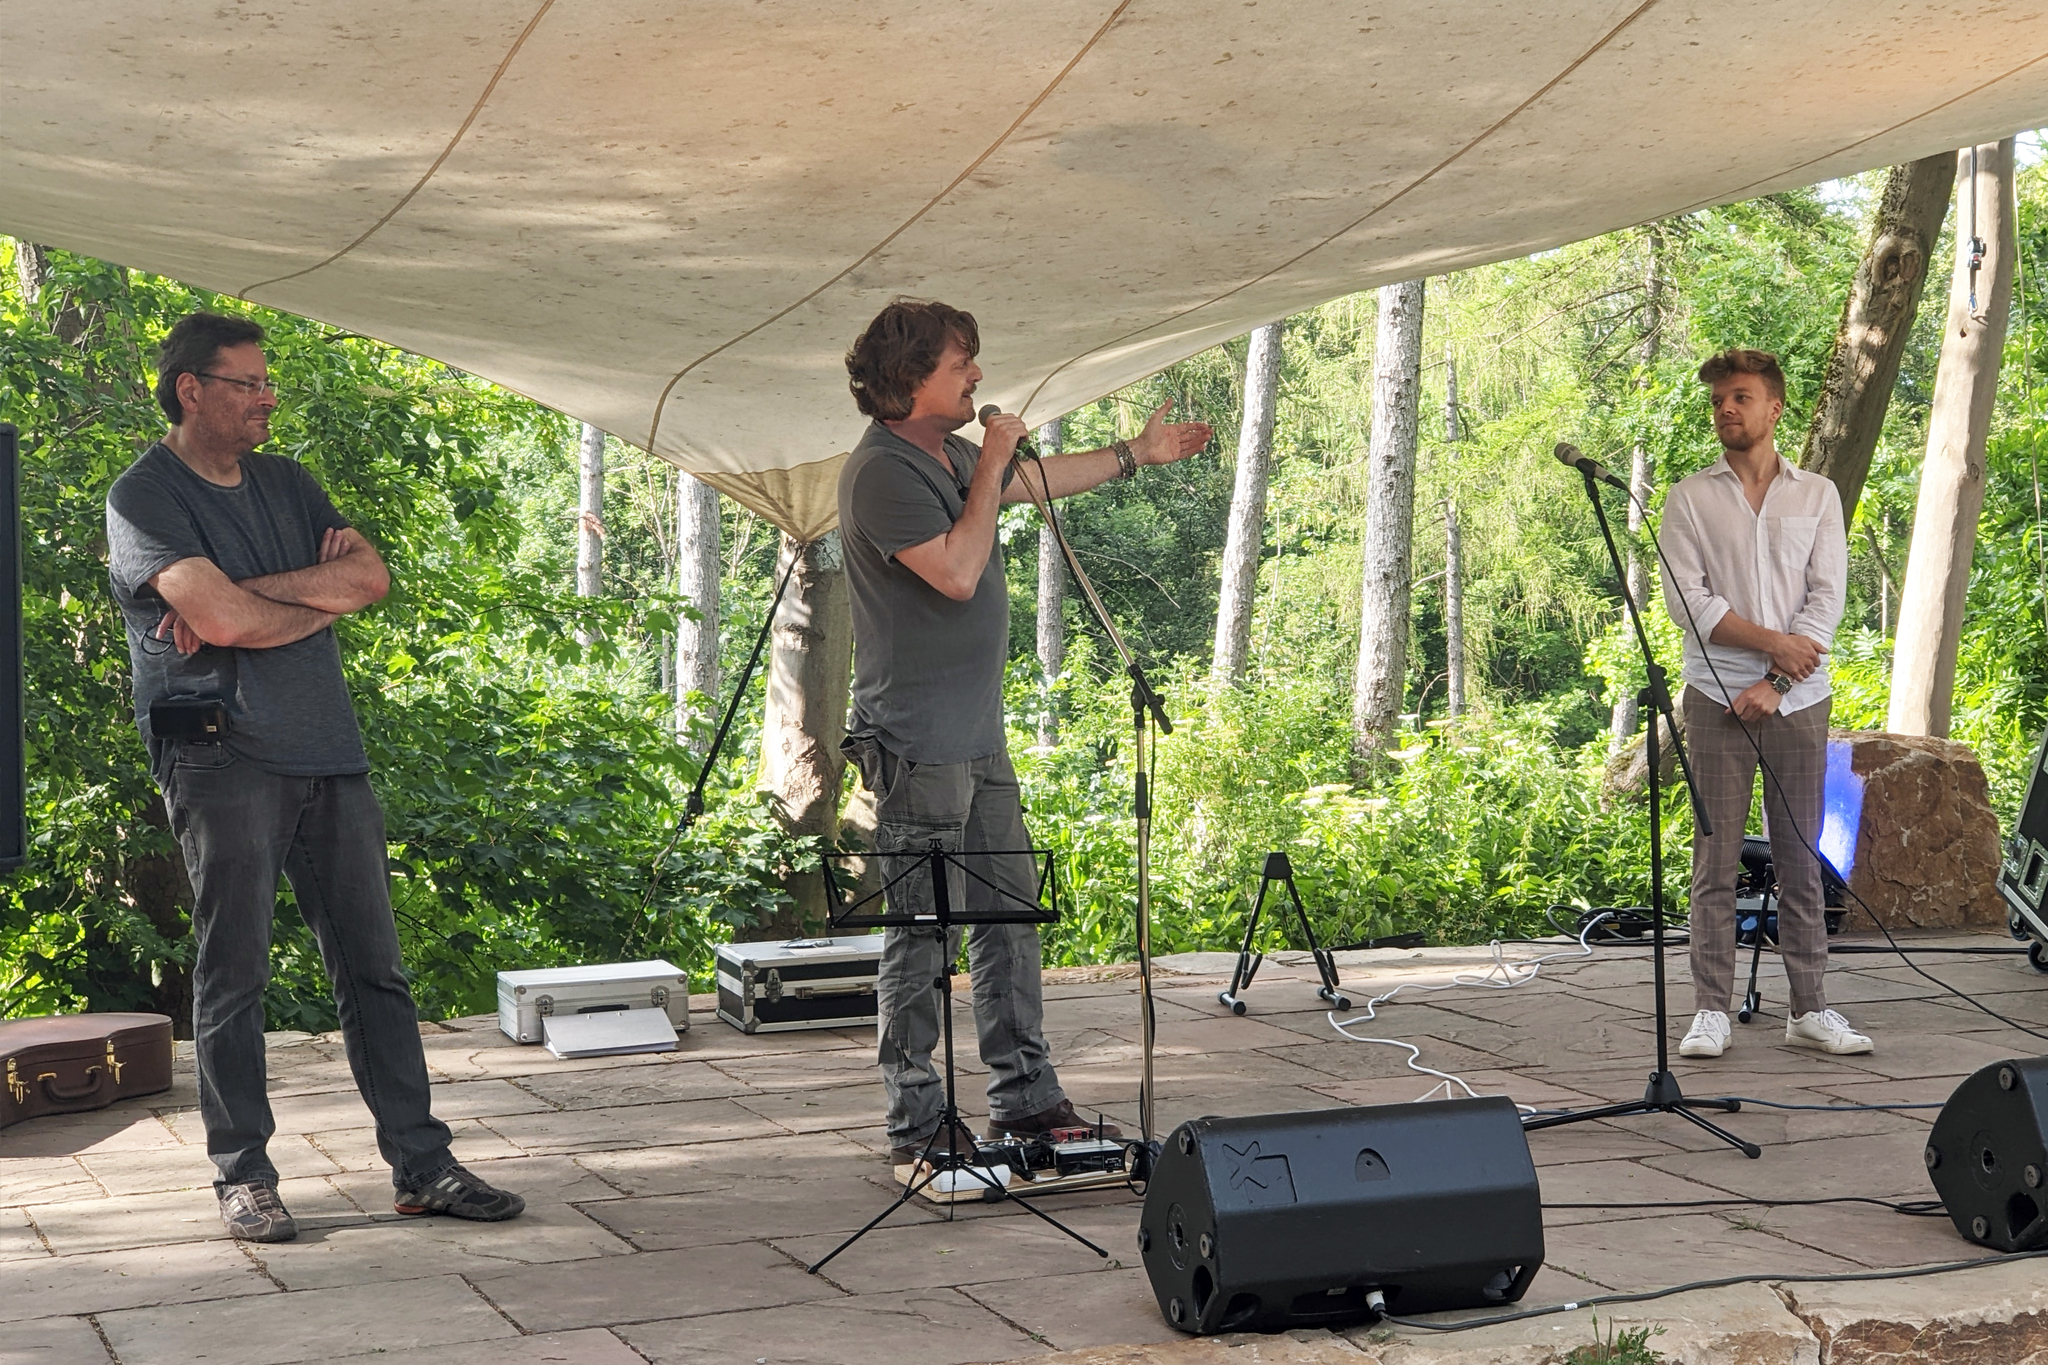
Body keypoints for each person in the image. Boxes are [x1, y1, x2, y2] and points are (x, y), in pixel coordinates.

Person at [105, 312, 524, 1241]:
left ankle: (422, 1166)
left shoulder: (289, 482)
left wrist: (256, 603)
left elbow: (367, 578)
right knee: (235, 972)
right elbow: (222, 619)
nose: (268, 399)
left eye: (269, 383)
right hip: (221, 757)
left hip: (328, 750)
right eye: (250, 384)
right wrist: (293, 599)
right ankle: (242, 1175)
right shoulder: (144, 497)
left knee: (376, 969)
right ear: (192, 390)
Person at [838, 300, 1212, 1165]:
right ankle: (917, 1118)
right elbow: (959, 572)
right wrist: (994, 461)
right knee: (922, 934)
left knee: (1008, 918)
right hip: (914, 747)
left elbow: (1034, 484)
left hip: (977, 739)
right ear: (911, 378)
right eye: (960, 363)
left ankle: (1026, 1098)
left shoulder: (954, 455)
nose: (976, 375)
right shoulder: (882, 474)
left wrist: (1135, 455)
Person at [1659, 347, 1868, 1059]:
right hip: (1714, 695)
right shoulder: (1689, 497)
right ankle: (1709, 1010)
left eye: (1740, 397)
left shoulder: (1817, 495)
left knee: (1800, 857)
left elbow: (1827, 598)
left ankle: (1809, 1008)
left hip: (1799, 701)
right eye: (1719, 400)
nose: (1726, 410)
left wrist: (1777, 679)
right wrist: (1771, 646)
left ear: (1774, 407)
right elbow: (1689, 603)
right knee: (1713, 860)